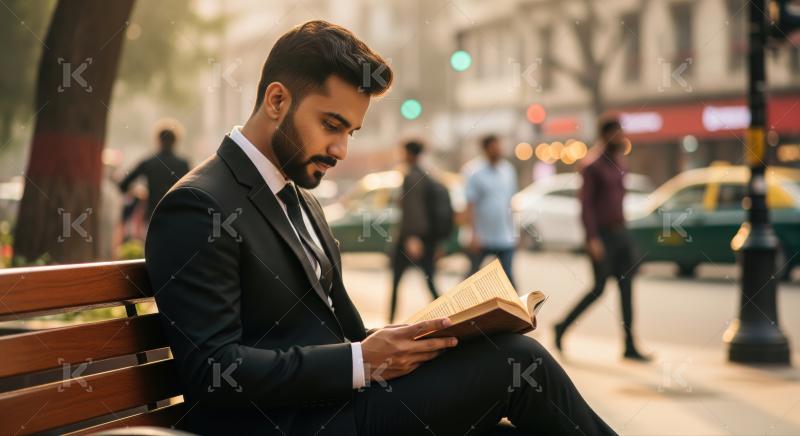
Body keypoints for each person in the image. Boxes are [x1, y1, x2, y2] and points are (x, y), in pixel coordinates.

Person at [145, 21, 615, 435]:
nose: (341, 149)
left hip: (339, 405)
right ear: (276, 100)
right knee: (518, 361)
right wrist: (360, 361)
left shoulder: (301, 198)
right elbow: (213, 370)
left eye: (351, 131)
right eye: (331, 124)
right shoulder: (199, 205)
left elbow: (344, 331)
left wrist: (419, 341)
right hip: (287, 423)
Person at [554, 116, 651, 362]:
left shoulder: (620, 161)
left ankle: (629, 345)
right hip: (602, 237)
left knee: (627, 288)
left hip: (621, 234)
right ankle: (561, 327)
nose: (622, 137)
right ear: (606, 135)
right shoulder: (592, 165)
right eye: (618, 133)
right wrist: (592, 238)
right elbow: (585, 206)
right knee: (598, 289)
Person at [388, 140, 439, 322]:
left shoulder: (411, 176)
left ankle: (390, 323)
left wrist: (412, 237)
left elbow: (413, 209)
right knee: (429, 280)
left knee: (396, 282)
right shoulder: (425, 174)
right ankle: (448, 316)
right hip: (424, 237)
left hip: (411, 238)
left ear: (409, 153)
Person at [465, 134, 518, 287]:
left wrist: (515, 232)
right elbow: (470, 205)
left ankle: (516, 310)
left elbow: (511, 203)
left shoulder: (508, 170)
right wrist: (473, 234)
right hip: (482, 237)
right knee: (470, 279)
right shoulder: (474, 172)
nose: (498, 150)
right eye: (494, 147)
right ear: (486, 149)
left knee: (509, 280)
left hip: (504, 237)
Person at [118, 120, 190, 222]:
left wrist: (139, 194)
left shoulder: (148, 162)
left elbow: (123, 185)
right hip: (176, 215)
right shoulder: (183, 164)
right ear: (176, 141)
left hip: (153, 215)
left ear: (158, 140)